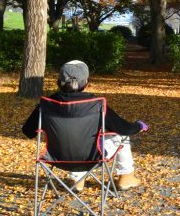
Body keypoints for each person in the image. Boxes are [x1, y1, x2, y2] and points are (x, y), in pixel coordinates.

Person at [22, 60, 147, 191]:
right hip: (93, 158)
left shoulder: (46, 104)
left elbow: (28, 131)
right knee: (121, 136)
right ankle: (126, 177)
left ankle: (77, 180)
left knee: (76, 138)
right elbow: (124, 128)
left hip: (56, 157)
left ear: (58, 82)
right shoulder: (96, 104)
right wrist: (139, 125)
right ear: (86, 83)